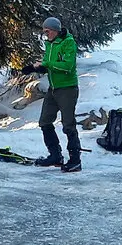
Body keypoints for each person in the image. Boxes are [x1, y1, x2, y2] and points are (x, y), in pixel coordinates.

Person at [23, 17, 81, 172]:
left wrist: (46, 64)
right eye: (44, 31)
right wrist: (35, 68)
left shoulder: (68, 42)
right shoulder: (50, 44)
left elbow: (67, 66)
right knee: (45, 121)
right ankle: (55, 155)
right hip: (53, 88)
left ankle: (75, 160)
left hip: (67, 88)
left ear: (55, 30)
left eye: (47, 31)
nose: (45, 34)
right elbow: (49, 66)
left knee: (68, 124)